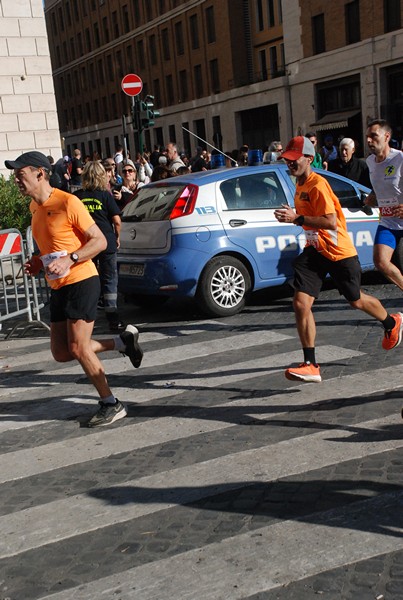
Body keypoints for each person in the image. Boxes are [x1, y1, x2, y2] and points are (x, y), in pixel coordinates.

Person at [5, 151, 144, 428]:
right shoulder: (35, 207)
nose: (17, 181)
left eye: (21, 175)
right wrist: (36, 261)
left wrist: (71, 258)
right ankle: (122, 343)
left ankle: (111, 403)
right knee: (61, 352)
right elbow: (52, 247)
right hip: (59, 285)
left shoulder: (69, 202)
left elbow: (100, 241)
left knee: (79, 347)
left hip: (82, 279)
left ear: (40, 173)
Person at [273, 136, 402, 383]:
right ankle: (310, 364)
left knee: (356, 300)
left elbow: (331, 221)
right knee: (300, 304)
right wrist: (293, 216)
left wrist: (297, 219)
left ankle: (391, 321)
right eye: (286, 161)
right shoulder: (300, 184)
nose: (289, 165)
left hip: (339, 252)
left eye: (293, 160)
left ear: (309, 159)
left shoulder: (317, 184)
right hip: (315, 252)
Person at [74, 161, 124, 332]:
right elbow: (116, 221)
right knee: (110, 280)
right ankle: (113, 319)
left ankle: (87, 318)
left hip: (87, 244)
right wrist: (117, 237)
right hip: (106, 242)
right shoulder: (105, 195)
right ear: (102, 176)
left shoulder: (78, 197)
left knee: (89, 279)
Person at [365, 119, 403, 291]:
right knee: (380, 261)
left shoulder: (400, 158)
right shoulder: (370, 162)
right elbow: (380, 185)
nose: (368, 140)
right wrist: (373, 196)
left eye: (373, 136)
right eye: (367, 137)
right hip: (387, 221)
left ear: (387, 137)